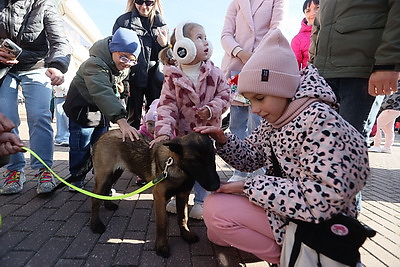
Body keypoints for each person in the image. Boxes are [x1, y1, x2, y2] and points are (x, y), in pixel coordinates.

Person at [195, 29, 369, 263]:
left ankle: (288, 257)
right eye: (250, 100)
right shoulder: (280, 118)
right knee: (215, 233)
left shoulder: (320, 122)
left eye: (260, 98)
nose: (254, 109)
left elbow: (323, 199)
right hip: (287, 207)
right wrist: (223, 139)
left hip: (316, 222)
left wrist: (247, 187)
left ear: (283, 88)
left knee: (216, 210)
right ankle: (282, 246)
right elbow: (251, 158)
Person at [154, 22, 231, 219]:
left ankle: (202, 201)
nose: (206, 42)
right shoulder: (172, 76)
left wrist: (212, 108)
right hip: (183, 136)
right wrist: (163, 131)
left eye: (205, 37)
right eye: (199, 38)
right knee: (184, 166)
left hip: (207, 134)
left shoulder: (214, 72)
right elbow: (166, 105)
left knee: (205, 165)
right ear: (183, 46)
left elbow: (225, 95)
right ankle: (181, 198)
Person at [0, 0, 71, 195]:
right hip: (4, 68)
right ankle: (14, 171)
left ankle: (43, 170)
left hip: (36, 66)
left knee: (40, 115)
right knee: (6, 119)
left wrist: (57, 65)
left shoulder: (45, 4)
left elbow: (59, 40)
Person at [63, 28, 142, 190]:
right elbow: (102, 92)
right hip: (82, 110)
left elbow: (124, 81)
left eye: (132, 60)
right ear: (113, 50)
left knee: (101, 147)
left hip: (102, 112)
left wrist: (123, 89)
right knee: (81, 146)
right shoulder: (94, 64)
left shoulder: (123, 65)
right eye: (123, 57)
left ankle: (101, 179)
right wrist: (122, 121)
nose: (126, 63)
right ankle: (77, 178)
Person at [309, 0, 400, 139]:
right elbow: (320, 22)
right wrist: (312, 65)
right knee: (318, 146)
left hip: (362, 71)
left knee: (347, 146)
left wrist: (388, 62)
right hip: (323, 74)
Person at [220, 0, 284, 182]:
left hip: (262, 66)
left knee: (258, 121)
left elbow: (276, 28)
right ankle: (240, 170)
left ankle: (260, 169)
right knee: (236, 121)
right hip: (236, 68)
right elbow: (225, 34)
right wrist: (241, 53)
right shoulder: (236, 2)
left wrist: (256, 55)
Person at [113, 0, 168, 129]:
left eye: (149, 2)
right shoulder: (124, 21)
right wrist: (120, 79)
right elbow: (115, 52)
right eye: (139, 1)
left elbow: (168, 58)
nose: (144, 6)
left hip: (155, 76)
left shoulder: (161, 23)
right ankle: (132, 147)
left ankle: (154, 148)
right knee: (133, 118)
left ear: (155, 2)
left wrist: (164, 45)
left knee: (155, 117)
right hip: (132, 75)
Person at [369, 83, 400, 154]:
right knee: (388, 128)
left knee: (377, 124)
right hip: (394, 108)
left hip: (390, 107)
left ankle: (377, 145)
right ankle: (387, 147)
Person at [135, 98, 159, 186]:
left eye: (157, 124)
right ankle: (142, 176)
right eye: (150, 124)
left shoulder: (166, 132)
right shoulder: (143, 132)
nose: (153, 129)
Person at [290, 0, 319, 70]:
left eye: (317, 8)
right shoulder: (298, 39)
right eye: (308, 11)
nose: (313, 13)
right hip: (311, 78)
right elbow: (293, 68)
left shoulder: (334, 31)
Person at [53, 65, 76, 147]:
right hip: (62, 87)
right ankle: (62, 137)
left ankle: (65, 137)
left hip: (71, 86)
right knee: (61, 114)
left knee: (65, 115)